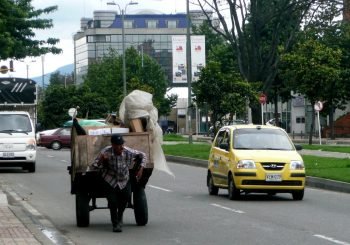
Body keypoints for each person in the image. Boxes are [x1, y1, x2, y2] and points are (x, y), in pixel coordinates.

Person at [92, 134, 147, 232]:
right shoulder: (106, 151)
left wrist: (141, 168)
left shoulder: (127, 151)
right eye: (118, 145)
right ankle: (115, 223)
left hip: (124, 179)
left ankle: (120, 215)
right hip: (110, 179)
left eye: (122, 144)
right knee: (112, 202)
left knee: (126, 197)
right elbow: (95, 165)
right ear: (113, 145)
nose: (121, 147)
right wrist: (102, 160)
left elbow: (143, 155)